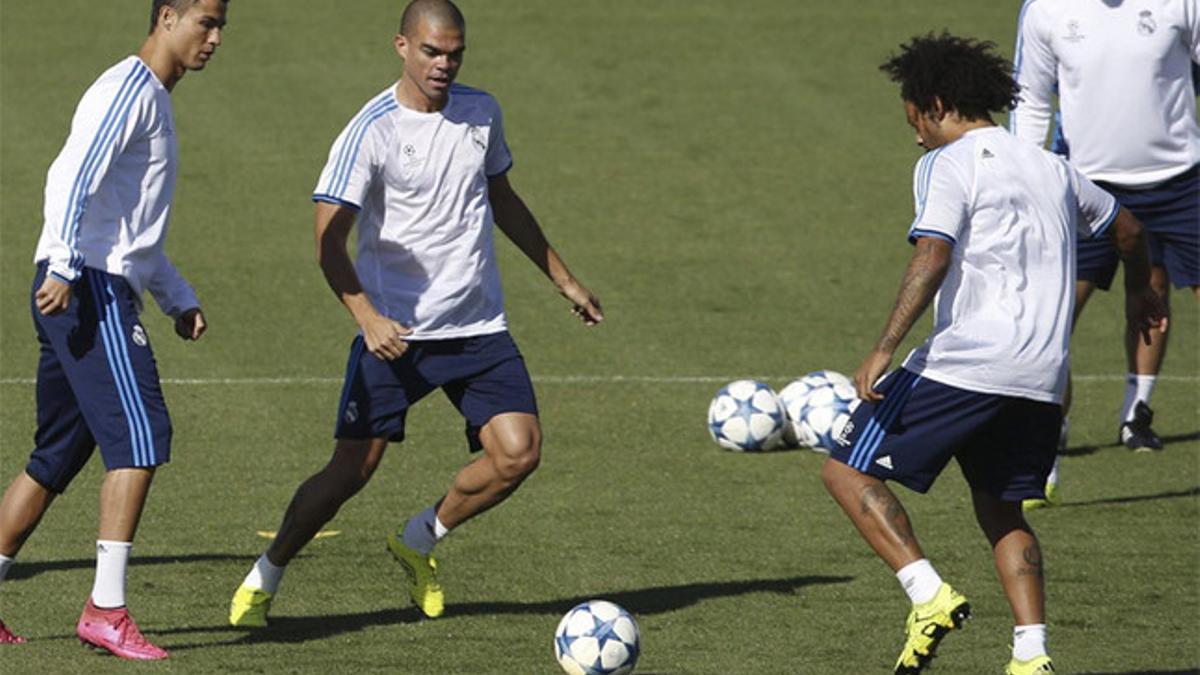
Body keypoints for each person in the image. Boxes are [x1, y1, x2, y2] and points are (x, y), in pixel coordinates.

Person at [228, 0, 602, 628]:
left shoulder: (481, 113)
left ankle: (420, 538)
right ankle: (268, 572)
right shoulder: (371, 131)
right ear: (401, 46)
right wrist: (367, 318)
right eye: (432, 52)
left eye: (455, 54)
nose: (444, 65)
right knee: (352, 470)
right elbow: (326, 240)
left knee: (519, 452)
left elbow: (502, 198)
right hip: (396, 335)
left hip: (478, 327)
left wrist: (563, 280)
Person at [820, 33, 1167, 675]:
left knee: (846, 471)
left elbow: (932, 252)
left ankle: (928, 596)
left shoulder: (947, 165)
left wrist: (883, 348)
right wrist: (1144, 294)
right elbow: (1129, 229)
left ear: (937, 103)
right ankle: (1031, 656)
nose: (917, 137)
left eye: (916, 121)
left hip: (968, 362)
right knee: (1000, 506)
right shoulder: (1052, 168)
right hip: (1041, 377)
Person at [0, 0, 227, 659]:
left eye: (221, 26)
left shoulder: (154, 99)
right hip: (86, 285)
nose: (214, 38)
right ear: (165, 17)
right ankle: (105, 607)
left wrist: (175, 296)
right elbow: (70, 177)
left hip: (95, 277)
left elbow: (130, 229)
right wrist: (67, 264)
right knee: (141, 433)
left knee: (55, 455)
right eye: (204, 21)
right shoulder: (129, 89)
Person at [1009, 0, 1199, 496]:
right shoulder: (1046, 10)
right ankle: (1043, 447)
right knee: (1051, 322)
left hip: (1183, 185)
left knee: (1155, 289)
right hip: (1085, 188)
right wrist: (1030, 184)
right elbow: (1029, 98)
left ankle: (1137, 410)